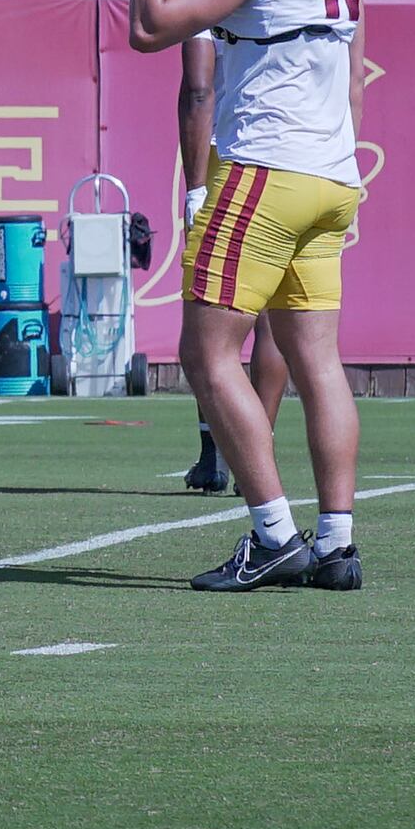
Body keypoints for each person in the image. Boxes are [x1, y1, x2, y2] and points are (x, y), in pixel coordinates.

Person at [126, 0, 374, 594]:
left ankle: (272, 532)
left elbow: (151, 24)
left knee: (206, 352)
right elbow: (351, 65)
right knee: (317, 360)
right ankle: (337, 540)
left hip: (265, 168)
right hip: (331, 168)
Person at [170, 35, 286, 497]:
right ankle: (259, 453)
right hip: (298, 152)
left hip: (231, 152)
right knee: (273, 320)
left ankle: (218, 451)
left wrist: (195, 186)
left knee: (210, 315)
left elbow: (199, 88)